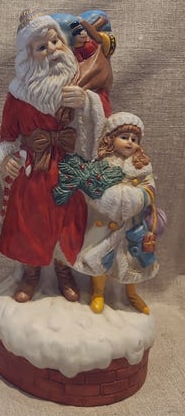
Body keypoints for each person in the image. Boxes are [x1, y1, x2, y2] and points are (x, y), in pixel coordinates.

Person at [0, 9, 111, 304]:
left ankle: (63, 271)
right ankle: (31, 274)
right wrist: (7, 159)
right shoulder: (18, 93)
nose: (52, 50)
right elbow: (7, 135)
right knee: (30, 222)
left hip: (68, 167)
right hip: (35, 168)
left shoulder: (80, 80)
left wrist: (87, 102)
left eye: (55, 42)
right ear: (29, 56)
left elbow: (106, 118)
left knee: (69, 222)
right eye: (41, 47)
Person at [73, 112, 162, 314]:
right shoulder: (102, 163)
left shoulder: (142, 165)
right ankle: (98, 292)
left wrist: (136, 197)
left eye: (134, 139)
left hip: (133, 222)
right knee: (99, 257)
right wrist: (109, 198)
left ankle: (132, 293)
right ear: (111, 138)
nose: (129, 142)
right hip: (105, 222)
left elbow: (150, 188)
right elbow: (91, 189)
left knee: (133, 259)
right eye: (124, 137)